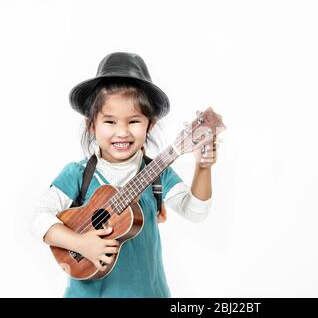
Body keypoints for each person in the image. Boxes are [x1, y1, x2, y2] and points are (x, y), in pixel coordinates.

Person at [30, 52, 218, 297]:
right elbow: (37, 219)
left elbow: (195, 212)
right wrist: (80, 244)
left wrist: (203, 168)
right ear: (92, 125)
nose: (122, 132)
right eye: (110, 122)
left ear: (149, 125)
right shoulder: (78, 174)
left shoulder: (157, 174)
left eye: (133, 121)